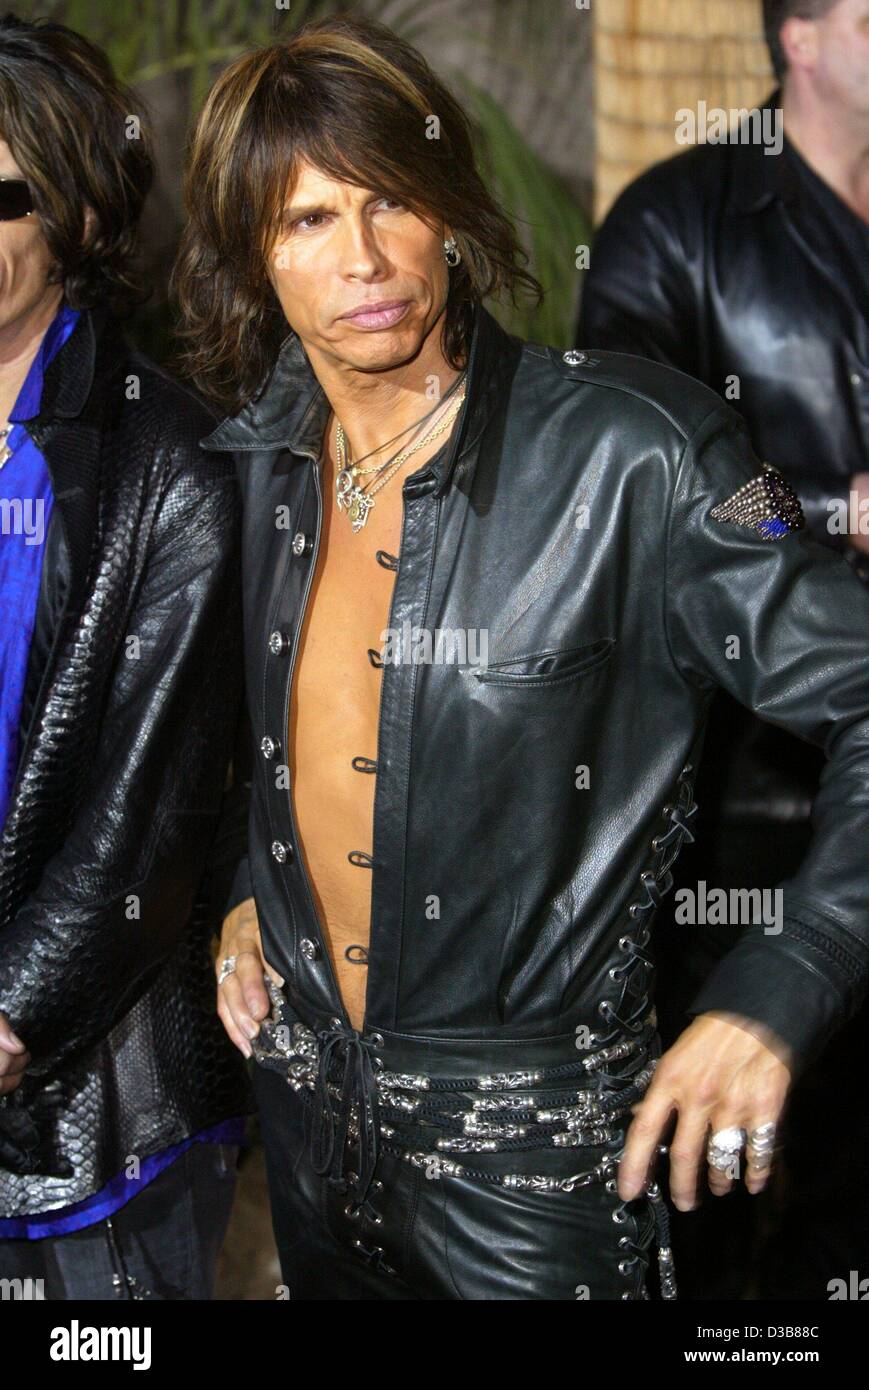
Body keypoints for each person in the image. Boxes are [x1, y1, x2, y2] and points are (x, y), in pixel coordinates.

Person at [176, 15, 869, 1300]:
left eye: (390, 199)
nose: (364, 257)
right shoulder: (251, 467)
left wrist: (788, 975)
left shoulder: (649, 448)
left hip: (534, 1168)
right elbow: (261, 737)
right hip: (307, 1133)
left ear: (449, 208)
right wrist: (249, 888)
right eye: (308, 219)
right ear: (251, 259)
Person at [578, 0, 869, 1297]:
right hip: (732, 789)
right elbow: (636, 469)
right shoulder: (673, 219)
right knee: (702, 1173)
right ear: (798, 38)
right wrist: (824, 507)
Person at [0, 13, 252, 1300]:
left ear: (78, 217)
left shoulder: (174, 466)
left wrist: (12, 1015)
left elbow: (143, 825)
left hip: (94, 1116)